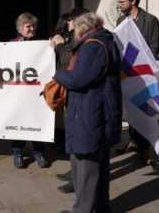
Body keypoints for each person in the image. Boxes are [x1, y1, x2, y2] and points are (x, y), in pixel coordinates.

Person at [55, 12, 122, 213]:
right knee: (98, 166)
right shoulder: (104, 41)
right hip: (98, 111)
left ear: (83, 28)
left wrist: (58, 74)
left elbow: (77, 79)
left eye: (75, 30)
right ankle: (100, 207)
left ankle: (84, 210)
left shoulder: (93, 46)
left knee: (86, 167)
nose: (73, 33)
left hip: (91, 113)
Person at [116, 0, 159, 165]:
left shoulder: (150, 20)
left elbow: (154, 48)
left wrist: (138, 63)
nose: (119, 5)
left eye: (122, 2)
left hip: (143, 75)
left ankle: (145, 149)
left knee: (144, 110)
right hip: (125, 74)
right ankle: (133, 142)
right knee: (130, 110)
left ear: (133, 1)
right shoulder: (121, 19)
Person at [50, 8, 89, 193]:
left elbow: (69, 61)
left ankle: (78, 181)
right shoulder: (80, 36)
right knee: (73, 138)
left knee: (79, 140)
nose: (68, 24)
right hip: (75, 97)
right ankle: (74, 174)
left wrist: (59, 46)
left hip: (82, 99)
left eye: (70, 21)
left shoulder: (85, 39)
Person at [10, 12, 48, 168]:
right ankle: (17, 152)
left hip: (36, 91)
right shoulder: (11, 45)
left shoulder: (43, 44)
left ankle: (38, 152)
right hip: (17, 90)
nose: (31, 28)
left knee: (36, 119)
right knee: (17, 120)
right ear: (20, 28)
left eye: (33, 26)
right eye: (28, 26)